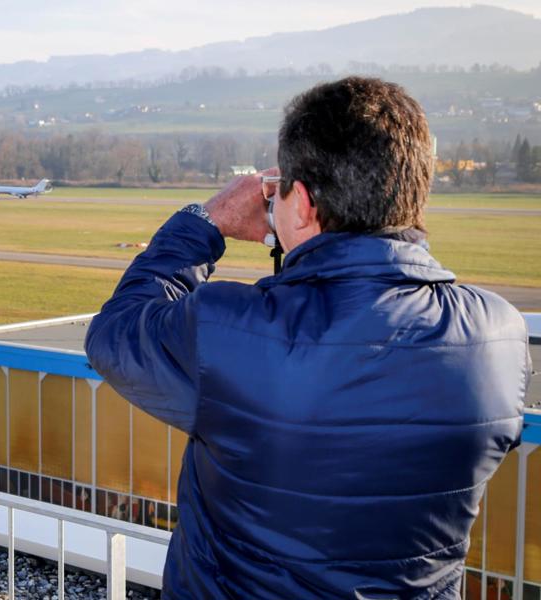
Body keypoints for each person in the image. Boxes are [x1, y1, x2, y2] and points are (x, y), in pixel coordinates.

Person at [85, 77, 530, 599]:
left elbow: (115, 332)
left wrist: (205, 223)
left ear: (303, 202)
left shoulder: (232, 329)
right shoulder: (497, 334)